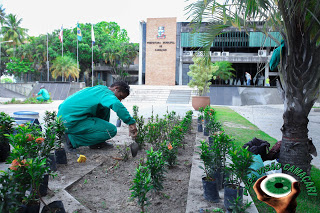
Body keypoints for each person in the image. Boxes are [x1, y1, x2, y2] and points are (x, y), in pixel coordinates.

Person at [57, 81, 138, 151]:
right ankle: (70, 140)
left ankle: (97, 142)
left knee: (105, 108)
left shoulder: (100, 89)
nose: (120, 100)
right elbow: (116, 104)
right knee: (111, 130)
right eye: (120, 97)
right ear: (116, 89)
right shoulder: (107, 94)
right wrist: (131, 122)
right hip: (70, 121)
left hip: (65, 116)